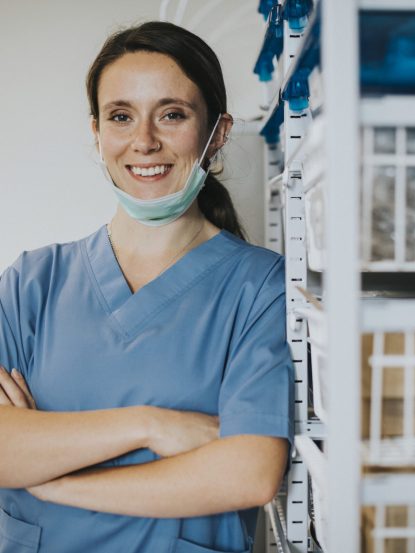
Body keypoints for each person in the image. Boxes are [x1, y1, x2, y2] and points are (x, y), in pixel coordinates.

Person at [0, 21, 294, 553]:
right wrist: (151, 426)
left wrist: (56, 480)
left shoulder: (260, 287)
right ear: (97, 132)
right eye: (120, 116)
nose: (143, 142)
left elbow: (247, 473)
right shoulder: (32, 283)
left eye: (172, 114)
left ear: (218, 132)